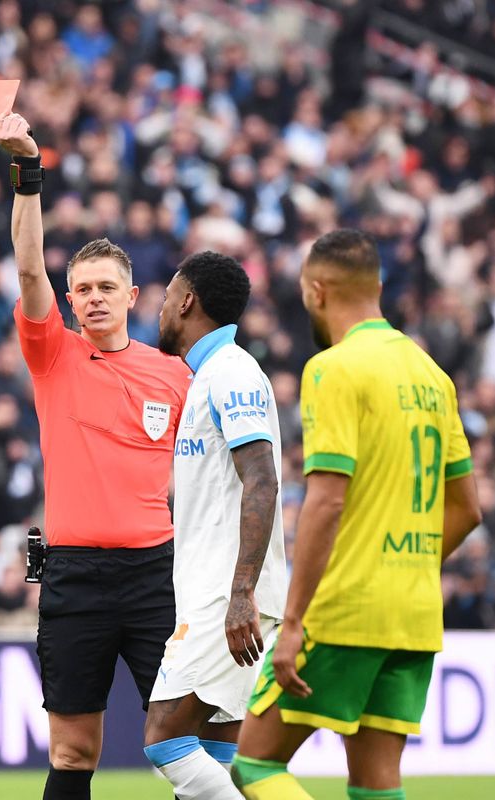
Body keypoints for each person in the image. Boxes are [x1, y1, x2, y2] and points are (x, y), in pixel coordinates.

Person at [231, 230, 482, 799]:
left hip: (346, 608)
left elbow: (327, 499)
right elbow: (467, 508)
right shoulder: (432, 376)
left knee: (255, 766)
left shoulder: (333, 369)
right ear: (379, 287)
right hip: (415, 614)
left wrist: (292, 621)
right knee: (375, 782)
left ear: (317, 291)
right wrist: (408, 567)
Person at [0, 113, 191, 800]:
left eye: (107, 287)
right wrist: (28, 174)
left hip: (156, 574)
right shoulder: (53, 354)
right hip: (75, 573)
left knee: (185, 741)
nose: (93, 298)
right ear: (68, 300)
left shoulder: (174, 373)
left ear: (132, 297)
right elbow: (26, 264)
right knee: (73, 753)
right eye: (82, 289)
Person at [143, 251, 289, 797]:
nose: (159, 309)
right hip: (218, 592)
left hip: (225, 596)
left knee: (164, 739)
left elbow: (263, 480)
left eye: (165, 296)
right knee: (214, 751)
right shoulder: (208, 376)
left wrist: (241, 592)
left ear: (187, 301)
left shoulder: (230, 371)